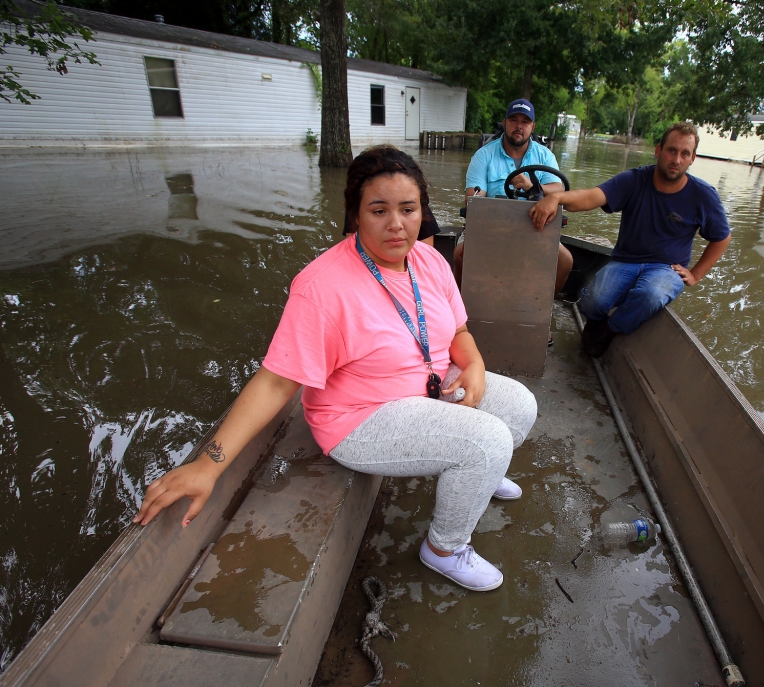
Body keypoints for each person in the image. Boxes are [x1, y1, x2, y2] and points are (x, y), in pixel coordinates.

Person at [135, 146, 538, 593]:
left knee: (520, 406)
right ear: (355, 214)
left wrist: (476, 364)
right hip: (362, 415)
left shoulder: (430, 261)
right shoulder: (322, 287)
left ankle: (478, 475)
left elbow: (458, 331)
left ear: (423, 212)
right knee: (486, 441)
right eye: (379, 210)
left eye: (408, 209)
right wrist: (206, 466)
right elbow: (274, 381)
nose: (396, 224)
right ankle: (444, 548)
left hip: (428, 382)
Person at [529, 122, 731, 357]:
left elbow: (722, 238)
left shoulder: (703, 195)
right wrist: (557, 198)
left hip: (666, 268)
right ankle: (596, 320)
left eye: (684, 153)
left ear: (692, 158)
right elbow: (591, 196)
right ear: (659, 150)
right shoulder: (634, 180)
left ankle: (607, 329)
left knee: (651, 294)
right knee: (592, 300)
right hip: (626, 261)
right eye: (671, 150)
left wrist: (696, 274)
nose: (676, 159)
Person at [458, 99, 574, 301]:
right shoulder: (483, 155)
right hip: (490, 227)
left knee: (565, 260)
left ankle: (543, 312)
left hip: (534, 228)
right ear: (505, 123)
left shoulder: (545, 155)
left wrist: (533, 187)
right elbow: (473, 195)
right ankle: (461, 312)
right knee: (461, 253)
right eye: (513, 120)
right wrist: (476, 198)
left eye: (525, 122)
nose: (519, 126)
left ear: (532, 127)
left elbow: (558, 189)